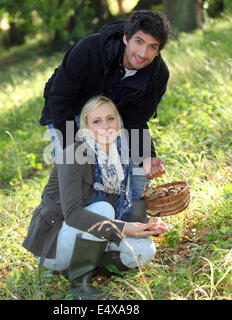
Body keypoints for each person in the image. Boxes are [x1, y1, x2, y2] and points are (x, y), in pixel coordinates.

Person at [23, 96, 169, 299]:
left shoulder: (122, 153)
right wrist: (124, 228)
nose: (106, 126)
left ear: (118, 121)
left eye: (110, 118)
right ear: (85, 126)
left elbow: (129, 204)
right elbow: (73, 215)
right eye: (97, 121)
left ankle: (85, 265)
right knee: (103, 209)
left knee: (146, 250)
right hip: (56, 242)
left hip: (92, 233)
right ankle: (78, 283)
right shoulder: (73, 155)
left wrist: (151, 221)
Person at [40, 10, 171, 200]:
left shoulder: (157, 75)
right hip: (70, 111)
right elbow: (60, 99)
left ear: (158, 50)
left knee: (139, 170)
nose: (143, 53)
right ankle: (59, 221)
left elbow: (136, 119)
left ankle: (133, 222)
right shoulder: (91, 49)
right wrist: (75, 148)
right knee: (73, 172)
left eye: (152, 47)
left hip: (114, 118)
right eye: (139, 42)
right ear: (126, 38)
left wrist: (146, 157)